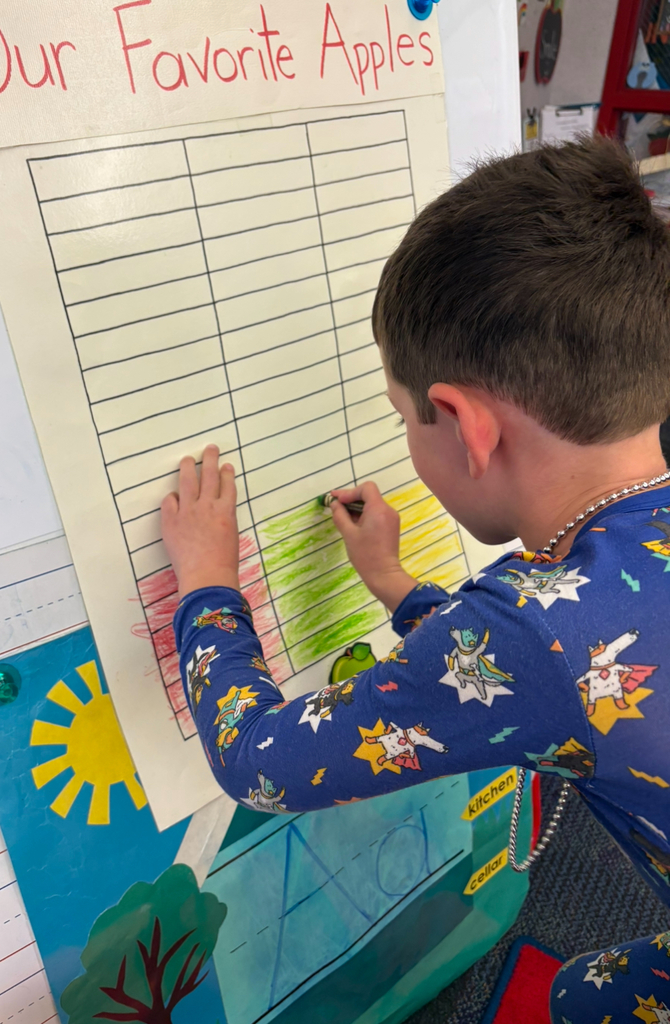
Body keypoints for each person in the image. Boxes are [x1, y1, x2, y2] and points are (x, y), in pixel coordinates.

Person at [161, 137, 670, 1023]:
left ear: (467, 425)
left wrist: (208, 585)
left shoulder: (532, 635)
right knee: (581, 994)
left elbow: (257, 762)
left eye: (403, 416)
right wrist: (396, 584)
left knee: (582, 1002)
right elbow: (556, 663)